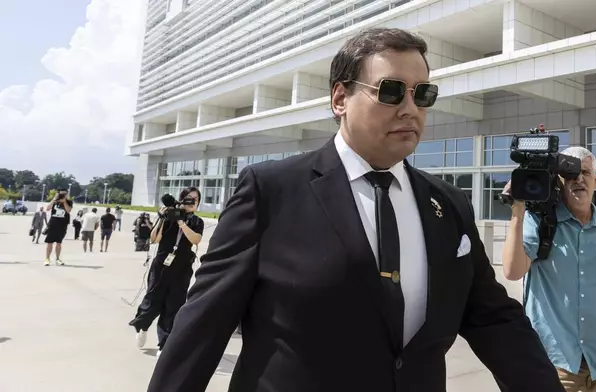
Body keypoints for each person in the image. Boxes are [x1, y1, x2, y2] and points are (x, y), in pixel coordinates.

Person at [147, 28, 563, 392]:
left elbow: (493, 317)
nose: (410, 108)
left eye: (423, 94)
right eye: (391, 91)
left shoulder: (448, 202)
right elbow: (203, 323)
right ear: (340, 98)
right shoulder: (271, 191)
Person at [501, 146, 596, 392]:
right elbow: (512, 271)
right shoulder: (540, 225)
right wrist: (517, 212)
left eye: (586, 172)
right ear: (558, 182)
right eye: (570, 174)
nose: (578, 179)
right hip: (556, 368)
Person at [129, 187, 204, 357]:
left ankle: (164, 344)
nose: (192, 202)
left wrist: (181, 222)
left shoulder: (196, 221)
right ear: (182, 200)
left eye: (195, 200)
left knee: (174, 305)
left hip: (182, 267)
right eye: (189, 199)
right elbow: (154, 239)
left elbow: (196, 239)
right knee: (152, 300)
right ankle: (143, 328)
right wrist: (163, 218)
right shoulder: (169, 215)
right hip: (161, 265)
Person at [44, 188, 73, 266]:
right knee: (49, 242)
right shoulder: (54, 201)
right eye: (61, 194)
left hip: (63, 224)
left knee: (59, 243)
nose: (63, 195)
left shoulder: (69, 202)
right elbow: (48, 208)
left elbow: (68, 211)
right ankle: (47, 259)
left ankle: (57, 258)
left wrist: (64, 202)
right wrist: (54, 199)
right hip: (53, 223)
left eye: (64, 194)